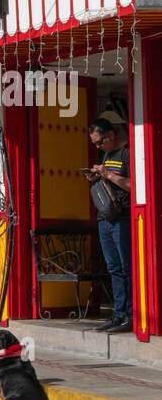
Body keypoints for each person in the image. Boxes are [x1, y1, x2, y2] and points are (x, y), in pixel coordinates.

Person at [86, 119, 132, 334]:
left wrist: (109, 175)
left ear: (111, 135)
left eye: (99, 142)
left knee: (126, 268)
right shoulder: (106, 156)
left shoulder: (126, 155)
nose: (97, 147)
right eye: (94, 144)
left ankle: (132, 315)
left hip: (122, 218)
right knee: (113, 268)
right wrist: (96, 176)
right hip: (105, 218)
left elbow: (134, 186)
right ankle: (118, 313)